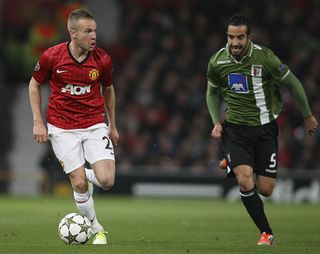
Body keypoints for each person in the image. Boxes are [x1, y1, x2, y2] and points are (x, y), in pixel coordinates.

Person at [206, 13, 318, 245]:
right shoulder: (218, 61)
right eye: (230, 37)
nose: (235, 43)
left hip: (265, 129)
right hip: (235, 130)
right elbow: (211, 92)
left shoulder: (265, 58)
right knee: (245, 180)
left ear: (249, 37)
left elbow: (294, 83)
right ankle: (266, 232)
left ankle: (233, 162)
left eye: (240, 37)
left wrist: (307, 116)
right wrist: (216, 121)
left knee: (266, 189)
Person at [29, 9, 119, 245]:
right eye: (88, 31)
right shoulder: (52, 56)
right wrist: (38, 121)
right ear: (73, 33)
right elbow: (34, 85)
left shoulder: (102, 60)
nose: (94, 36)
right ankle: (96, 227)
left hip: (94, 124)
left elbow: (108, 90)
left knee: (107, 181)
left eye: (95, 31)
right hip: (61, 128)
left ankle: (86, 172)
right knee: (79, 184)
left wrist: (113, 124)